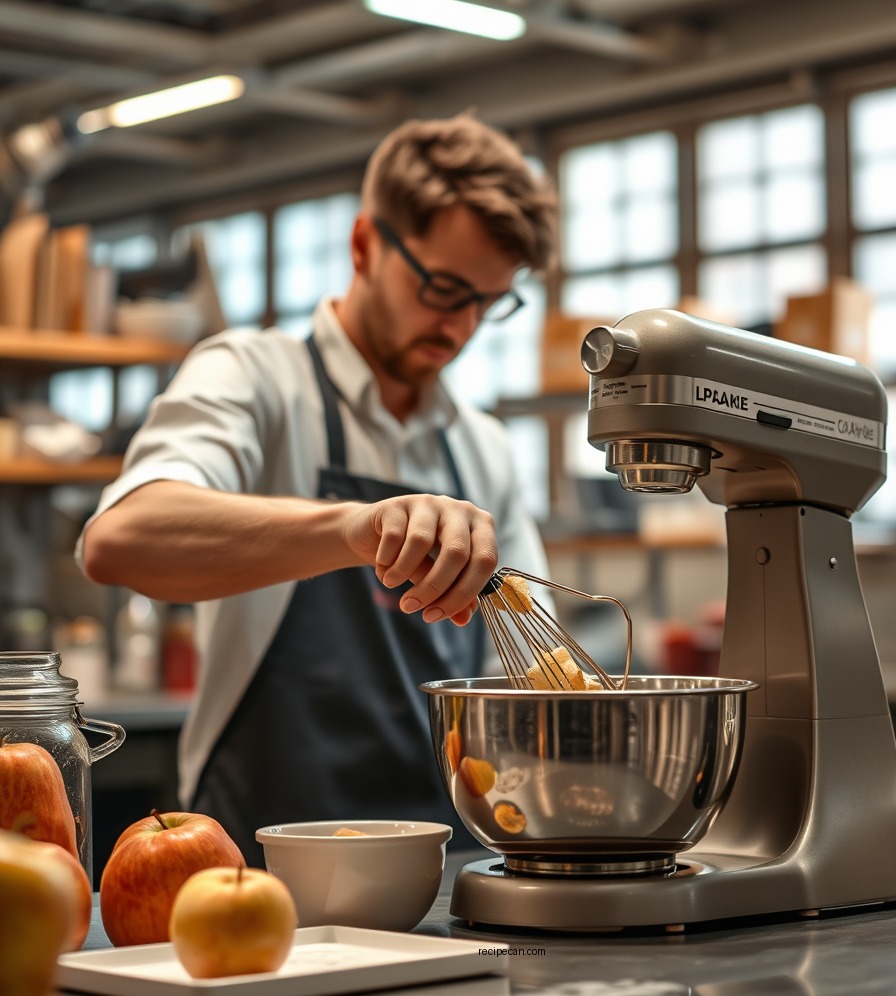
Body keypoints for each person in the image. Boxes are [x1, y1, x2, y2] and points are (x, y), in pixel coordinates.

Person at [77, 113, 559, 865]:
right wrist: (355, 531)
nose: (461, 326)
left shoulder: (481, 446)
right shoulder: (255, 377)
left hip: (446, 871)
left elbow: (529, 682)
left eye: (489, 302)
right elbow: (120, 540)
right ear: (366, 244)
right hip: (259, 871)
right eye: (442, 287)